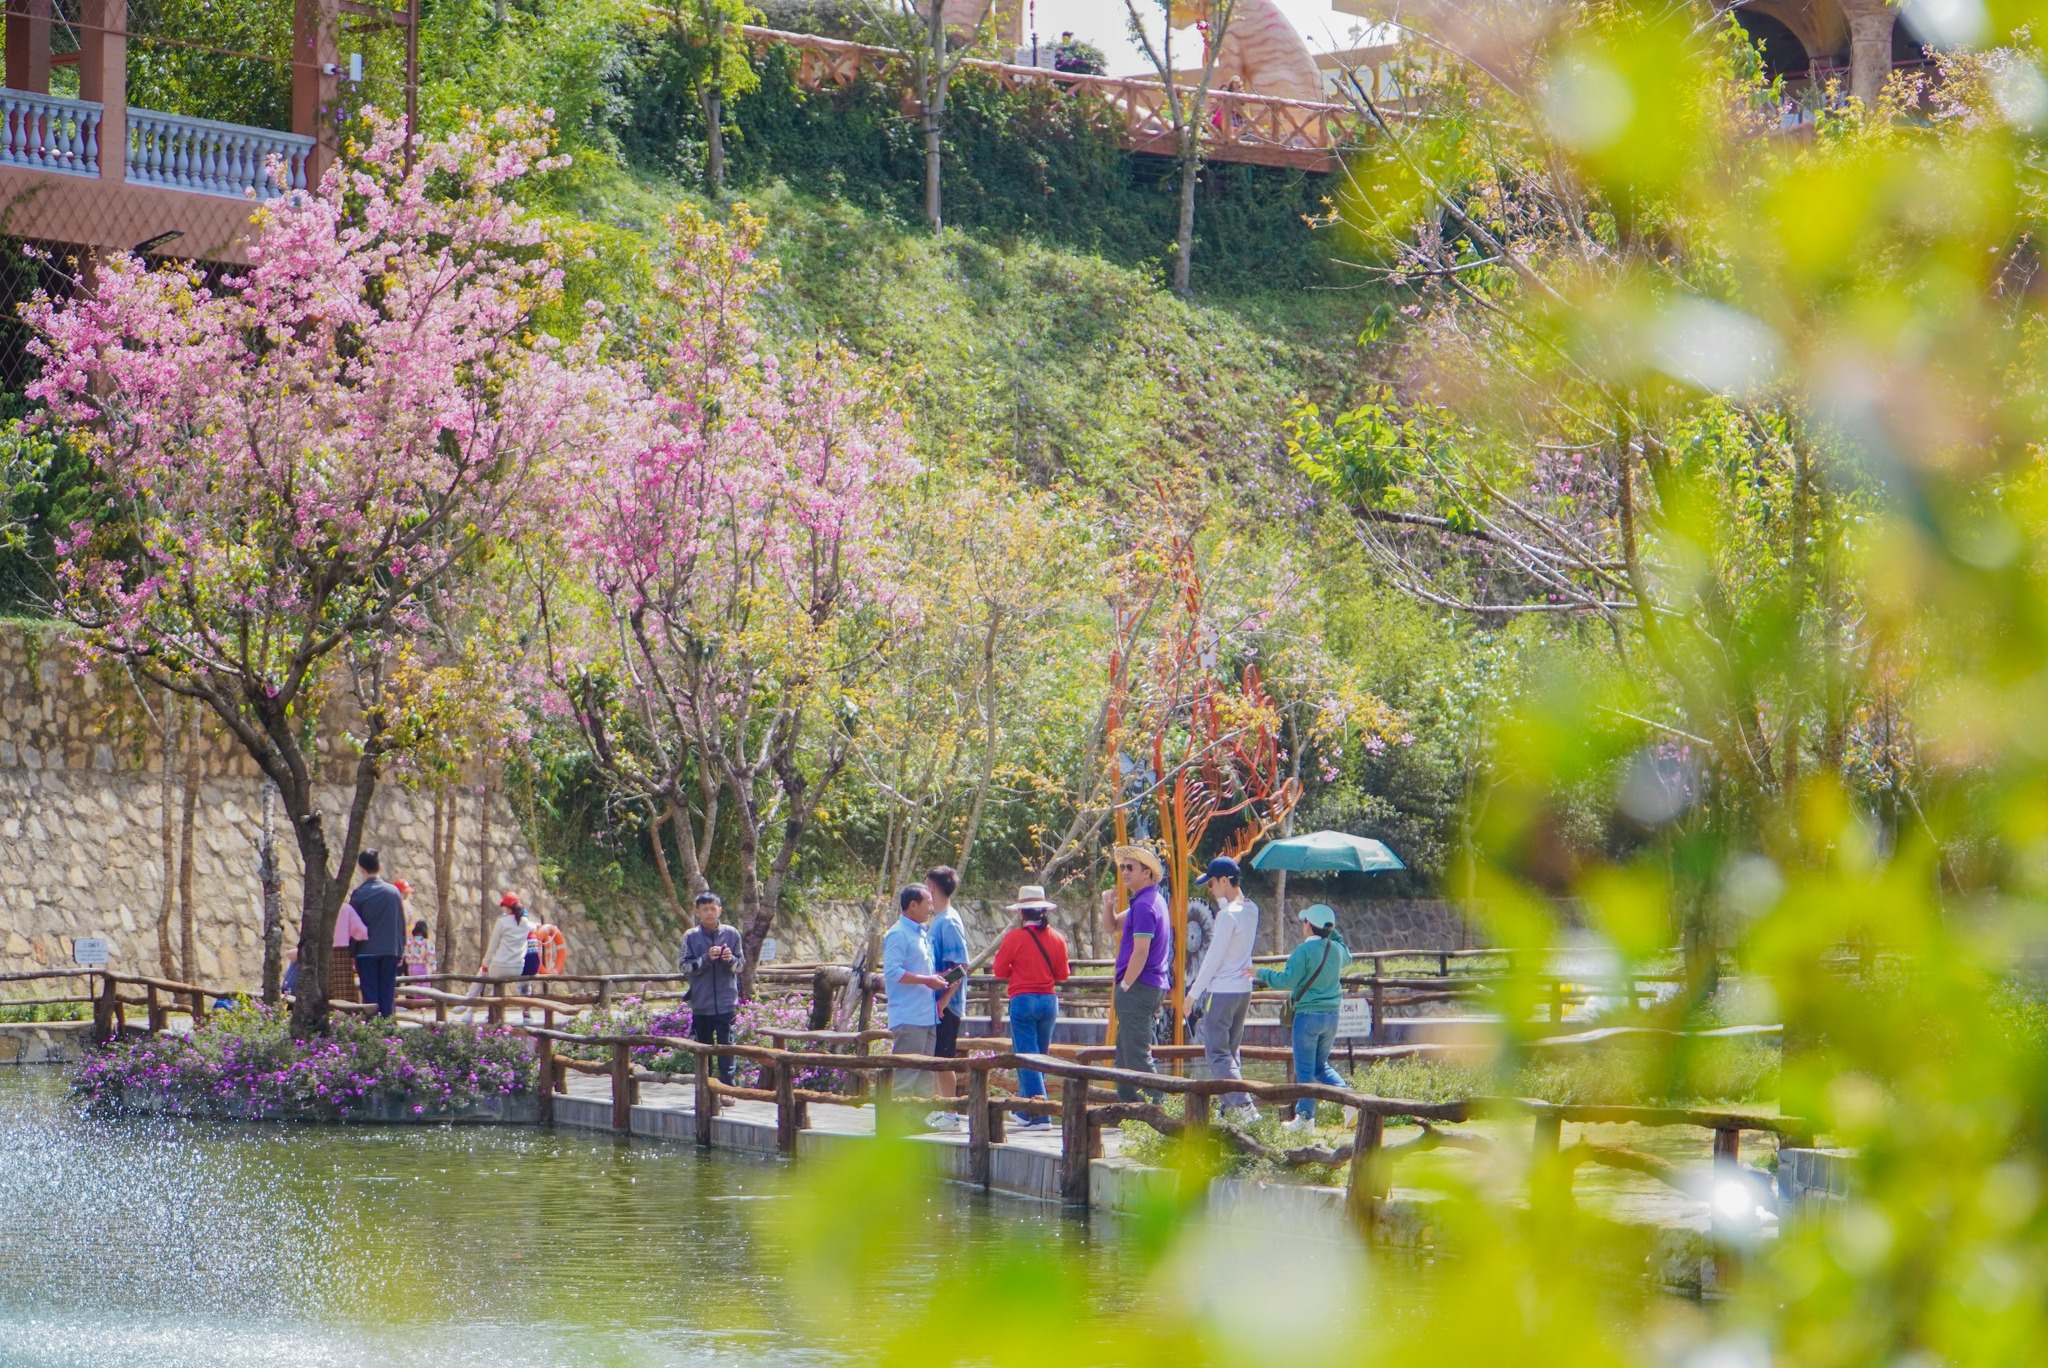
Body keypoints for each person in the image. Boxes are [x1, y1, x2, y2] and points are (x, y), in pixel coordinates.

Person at [1255, 904, 1353, 1131]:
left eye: (1304, 921)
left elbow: (1285, 981)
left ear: (1309, 925)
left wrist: (1260, 972)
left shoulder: (1303, 951)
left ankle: (1305, 1119)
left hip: (1308, 1016)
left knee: (1305, 1070)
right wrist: (1333, 931)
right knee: (1320, 1066)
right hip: (1332, 1016)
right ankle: (1349, 1099)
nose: (1302, 925)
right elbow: (1348, 953)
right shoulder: (1337, 951)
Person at [1185, 855, 1259, 1122]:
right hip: (1243, 990)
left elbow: (1212, 959)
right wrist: (1222, 899)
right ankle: (1228, 1110)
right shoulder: (1251, 909)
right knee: (1231, 1052)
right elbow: (1232, 909)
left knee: (1217, 1052)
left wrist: (1192, 994)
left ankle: (1245, 1107)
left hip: (1222, 992)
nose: (1210, 889)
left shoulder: (1227, 916)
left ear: (1224, 880)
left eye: (1212, 883)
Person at [990, 885, 1069, 1127]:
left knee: (1027, 1057)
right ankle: (1026, 1110)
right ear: (1044, 911)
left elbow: (999, 970)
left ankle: (1040, 1113)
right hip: (1048, 1001)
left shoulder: (1014, 937)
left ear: (1022, 913)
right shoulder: (1057, 937)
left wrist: (1019, 969)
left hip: (1023, 1000)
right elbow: (1062, 974)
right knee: (1040, 1057)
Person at [1100, 844, 1171, 1102]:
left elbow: (1141, 951)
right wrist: (1108, 905)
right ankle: (1130, 1111)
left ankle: (1162, 1110)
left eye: (1131, 867)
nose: (1125, 872)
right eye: (1122, 867)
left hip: (1139, 986)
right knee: (1125, 1055)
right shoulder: (1147, 901)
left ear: (1148, 873)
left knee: (1137, 1056)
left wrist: (1126, 984)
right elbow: (1111, 926)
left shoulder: (1144, 905)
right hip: (1147, 986)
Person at [882, 883, 947, 1103]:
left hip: (926, 1015)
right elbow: (891, 971)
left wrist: (935, 978)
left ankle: (919, 1122)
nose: (931, 907)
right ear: (913, 905)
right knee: (907, 1074)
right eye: (928, 902)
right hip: (909, 1016)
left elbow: (919, 970)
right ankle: (900, 1127)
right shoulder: (898, 934)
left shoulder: (920, 933)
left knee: (924, 1075)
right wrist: (927, 980)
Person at [679, 891, 745, 1085]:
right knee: (702, 1052)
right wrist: (705, 959)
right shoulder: (690, 937)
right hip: (701, 1004)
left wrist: (729, 959)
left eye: (712, 908)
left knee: (727, 1050)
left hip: (726, 1004)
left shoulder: (732, 933)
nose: (709, 912)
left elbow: (741, 966)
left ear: (720, 910)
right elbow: (684, 967)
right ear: (698, 912)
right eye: (705, 909)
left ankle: (728, 1091)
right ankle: (704, 1093)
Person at [925, 865, 972, 1128]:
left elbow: (960, 968)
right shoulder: (938, 920)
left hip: (948, 1005)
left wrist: (944, 999)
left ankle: (951, 1113)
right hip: (936, 1003)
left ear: (933, 888)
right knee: (935, 1059)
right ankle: (938, 1109)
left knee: (944, 1059)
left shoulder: (949, 921)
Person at [346, 850, 406, 1018]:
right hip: (390, 950)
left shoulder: (359, 894)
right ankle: (388, 1029)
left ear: (361, 869)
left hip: (366, 951)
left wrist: (352, 953)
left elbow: (354, 926)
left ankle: (373, 1031)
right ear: (380, 866)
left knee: (370, 995)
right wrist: (400, 949)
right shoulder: (394, 892)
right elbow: (400, 924)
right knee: (387, 992)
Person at [469, 893, 531, 1019]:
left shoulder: (502, 922)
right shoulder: (525, 923)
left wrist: (485, 964)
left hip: (500, 966)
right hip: (517, 968)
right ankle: (524, 1011)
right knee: (500, 985)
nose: (502, 908)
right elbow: (536, 927)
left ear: (508, 908)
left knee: (482, 974)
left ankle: (469, 1007)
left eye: (503, 906)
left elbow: (493, 947)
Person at [330, 897, 368, 1004]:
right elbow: (361, 931)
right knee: (343, 987)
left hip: (322, 952)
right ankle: (345, 1014)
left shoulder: (319, 908)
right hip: (341, 952)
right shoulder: (346, 908)